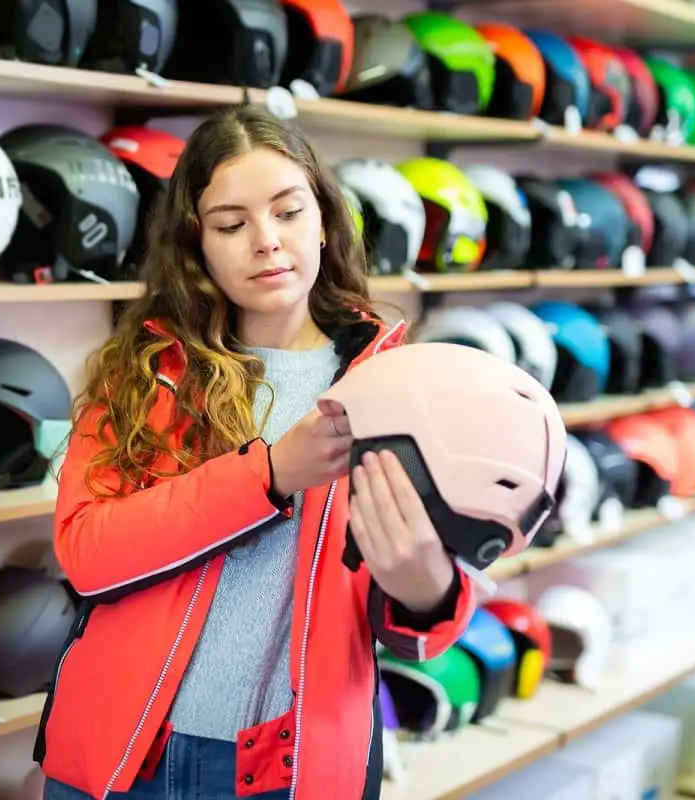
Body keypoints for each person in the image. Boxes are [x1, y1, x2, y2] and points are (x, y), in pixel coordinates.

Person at [34, 104, 477, 800]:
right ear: (197, 246)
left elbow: (417, 632)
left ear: (326, 221)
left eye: (288, 212)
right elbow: (87, 557)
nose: (266, 242)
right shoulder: (143, 371)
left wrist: (428, 588)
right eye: (232, 225)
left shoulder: (396, 385)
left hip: (288, 773)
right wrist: (270, 475)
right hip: (125, 762)